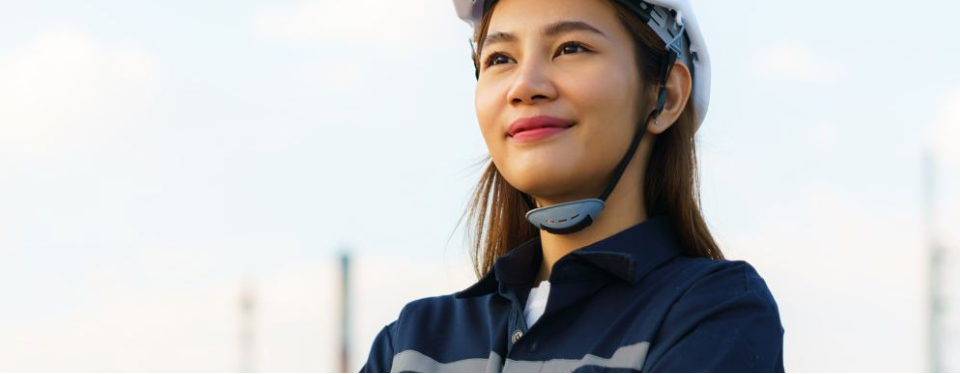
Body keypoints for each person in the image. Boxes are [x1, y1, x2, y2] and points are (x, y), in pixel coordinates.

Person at [360, 0, 785, 371]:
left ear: (666, 95)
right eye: (499, 59)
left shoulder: (716, 311)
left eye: (571, 48)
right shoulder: (409, 345)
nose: (524, 87)